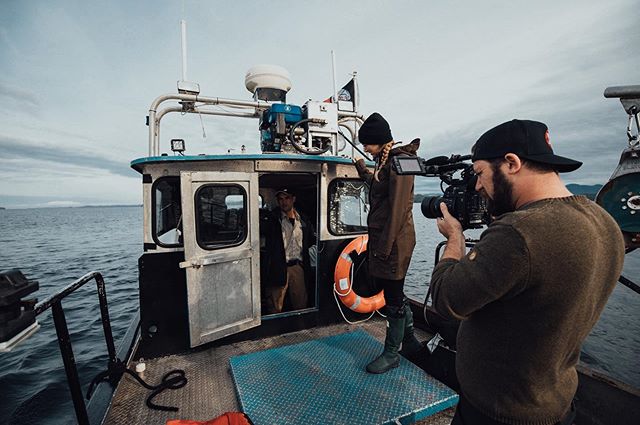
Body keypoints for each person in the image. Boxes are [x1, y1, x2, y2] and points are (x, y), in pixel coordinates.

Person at [431, 119, 625, 424]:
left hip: (500, 410)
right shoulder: (604, 222)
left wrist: (454, 239)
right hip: (554, 401)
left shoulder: (519, 233)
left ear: (511, 163)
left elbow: (446, 299)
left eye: (480, 173)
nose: (478, 186)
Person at [353, 112, 423, 374]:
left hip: (394, 243)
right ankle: (411, 341)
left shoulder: (400, 161)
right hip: (387, 240)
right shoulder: (386, 162)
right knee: (396, 294)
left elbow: (400, 209)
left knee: (393, 298)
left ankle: (392, 354)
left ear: (379, 141)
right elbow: (379, 189)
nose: (366, 149)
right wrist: (362, 169)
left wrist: (384, 247)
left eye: (367, 144)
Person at [262, 188, 314, 314]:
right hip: (278, 267)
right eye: (280, 199)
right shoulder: (272, 219)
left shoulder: (303, 220)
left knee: (301, 304)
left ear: (293, 199)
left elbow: (311, 240)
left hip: (297, 266)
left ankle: (300, 329)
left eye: (287, 198)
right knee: (275, 305)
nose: (283, 202)